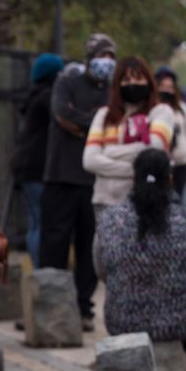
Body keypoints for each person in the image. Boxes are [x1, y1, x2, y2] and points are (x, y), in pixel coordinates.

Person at [93, 148, 186, 371]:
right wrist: (180, 287)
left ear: (133, 178)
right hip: (177, 323)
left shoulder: (109, 222)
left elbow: (102, 269)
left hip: (123, 321)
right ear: (170, 178)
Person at [40, 33, 116, 331]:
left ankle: (84, 307)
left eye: (111, 58)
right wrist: (96, 123)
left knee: (89, 248)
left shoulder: (113, 92)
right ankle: (50, 306)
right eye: (101, 56)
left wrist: (85, 125)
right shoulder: (67, 81)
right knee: (54, 244)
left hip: (94, 182)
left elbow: (113, 126)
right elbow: (63, 115)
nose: (106, 64)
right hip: (60, 177)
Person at [82, 56, 174, 210]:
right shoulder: (104, 115)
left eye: (138, 78)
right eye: (126, 79)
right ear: (118, 84)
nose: (132, 83)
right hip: (104, 202)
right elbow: (90, 161)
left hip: (144, 203)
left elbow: (154, 149)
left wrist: (109, 152)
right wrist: (137, 170)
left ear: (148, 81)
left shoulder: (161, 112)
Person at [12, 53, 65, 267]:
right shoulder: (48, 98)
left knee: (35, 222)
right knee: (42, 221)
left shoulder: (34, 96)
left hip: (27, 168)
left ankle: (37, 267)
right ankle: (41, 268)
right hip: (37, 169)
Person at [155, 66, 186, 203]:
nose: (167, 90)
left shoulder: (181, 108)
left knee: (179, 200)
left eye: (170, 86)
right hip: (161, 162)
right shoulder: (154, 109)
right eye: (163, 86)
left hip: (181, 161)